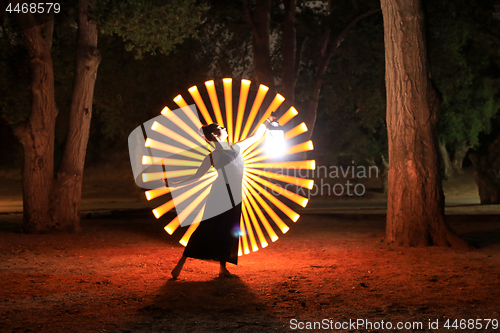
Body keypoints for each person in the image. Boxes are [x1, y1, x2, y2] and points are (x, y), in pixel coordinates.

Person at [169, 117, 273, 279]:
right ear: (214, 134)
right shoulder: (213, 156)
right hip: (219, 196)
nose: (225, 128)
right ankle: (180, 263)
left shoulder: (236, 147)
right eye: (221, 127)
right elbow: (196, 176)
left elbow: (256, 136)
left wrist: (266, 121)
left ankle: (222, 268)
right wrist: (176, 183)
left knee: (229, 230)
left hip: (235, 196)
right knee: (206, 228)